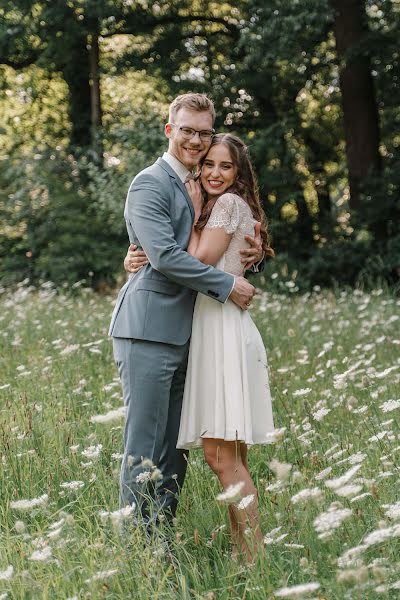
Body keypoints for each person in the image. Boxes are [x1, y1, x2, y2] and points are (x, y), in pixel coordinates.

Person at [109, 93, 263, 533]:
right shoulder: (150, 183)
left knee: (174, 449)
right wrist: (228, 285)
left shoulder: (203, 180)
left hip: (191, 333)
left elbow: (226, 240)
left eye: (204, 132)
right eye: (187, 131)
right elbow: (165, 256)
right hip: (149, 329)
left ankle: (161, 537)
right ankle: (138, 546)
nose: (196, 141)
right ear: (169, 130)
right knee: (145, 445)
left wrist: (253, 258)